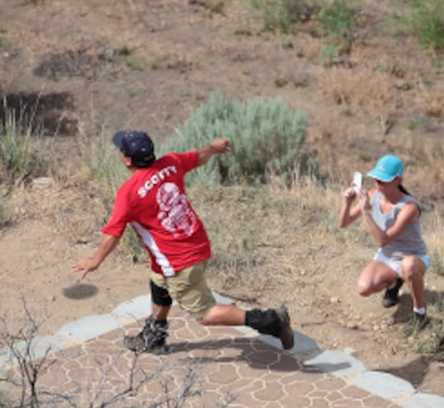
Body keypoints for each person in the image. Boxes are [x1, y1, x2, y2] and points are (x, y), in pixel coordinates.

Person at [71, 130, 293, 354]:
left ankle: (272, 321)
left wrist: (95, 260)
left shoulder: (128, 193)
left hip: (180, 262)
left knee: (205, 313)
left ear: (127, 160)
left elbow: (114, 233)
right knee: (159, 283)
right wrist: (214, 148)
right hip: (195, 243)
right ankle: (153, 337)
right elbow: (198, 156)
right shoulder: (170, 163)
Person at [337, 154, 431, 334]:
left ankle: (420, 313)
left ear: (397, 180)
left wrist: (365, 211)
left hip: (413, 257)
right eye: (375, 180)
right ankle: (394, 283)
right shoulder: (374, 195)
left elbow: (383, 239)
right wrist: (347, 203)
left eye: (383, 181)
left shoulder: (409, 207)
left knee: (408, 266)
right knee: (363, 288)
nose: (378, 185)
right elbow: (343, 223)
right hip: (387, 256)